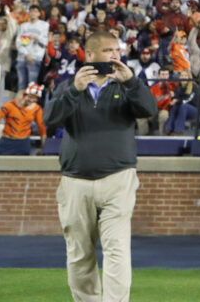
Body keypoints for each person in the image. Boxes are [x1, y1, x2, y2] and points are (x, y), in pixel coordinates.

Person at [44, 31, 157, 302]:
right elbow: (50, 118)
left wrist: (131, 82)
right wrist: (74, 90)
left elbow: (149, 110)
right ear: (90, 55)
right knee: (80, 253)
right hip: (75, 180)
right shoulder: (70, 86)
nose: (115, 55)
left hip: (118, 179)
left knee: (116, 249)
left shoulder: (126, 86)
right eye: (108, 51)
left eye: (117, 50)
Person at [0, 83, 46, 155]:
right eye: (30, 97)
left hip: (23, 143)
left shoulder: (37, 109)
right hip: (6, 141)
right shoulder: (10, 105)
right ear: (25, 95)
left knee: (22, 165)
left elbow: (42, 128)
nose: (32, 100)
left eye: (35, 98)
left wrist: (43, 147)